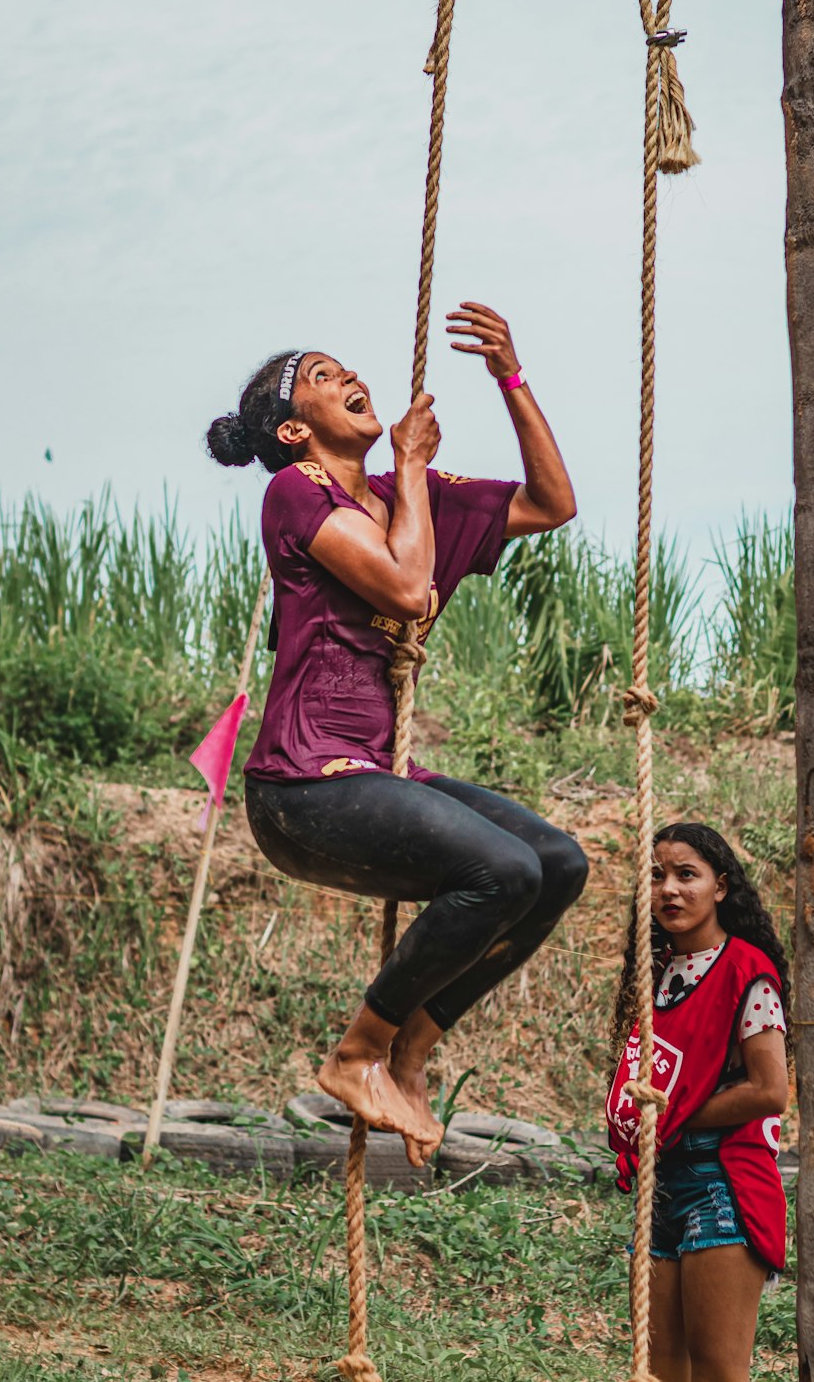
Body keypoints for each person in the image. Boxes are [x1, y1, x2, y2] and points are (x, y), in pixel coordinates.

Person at [207, 302, 588, 1168]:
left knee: (556, 864)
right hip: (305, 786)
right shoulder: (295, 492)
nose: (350, 378)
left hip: (377, 774)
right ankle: (354, 1055)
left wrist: (510, 378)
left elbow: (552, 502)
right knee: (500, 869)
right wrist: (412, 465)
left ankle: (409, 1051)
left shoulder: (409, 497)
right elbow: (407, 588)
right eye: (323, 376)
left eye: (348, 367)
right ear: (297, 429)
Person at [606, 823, 790, 1382]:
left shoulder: (747, 970)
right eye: (656, 877)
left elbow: (769, 1089)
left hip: (722, 1181)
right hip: (661, 1188)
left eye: (687, 874)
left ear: (721, 885)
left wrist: (677, 1117)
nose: (670, 890)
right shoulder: (656, 978)